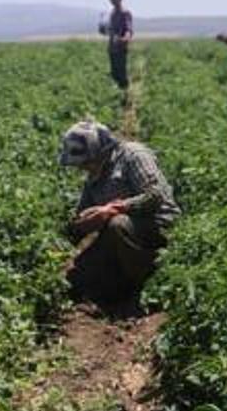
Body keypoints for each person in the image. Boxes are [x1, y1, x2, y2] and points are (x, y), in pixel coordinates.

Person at [59, 120, 180, 314]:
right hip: (119, 236)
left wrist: (113, 209)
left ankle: (147, 288)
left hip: (158, 228)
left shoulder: (134, 155)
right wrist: (78, 228)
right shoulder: (94, 176)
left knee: (117, 223)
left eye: (86, 163)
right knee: (76, 278)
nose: (83, 168)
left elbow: (156, 195)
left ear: (100, 152)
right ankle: (116, 290)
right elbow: (79, 219)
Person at [105, 0, 133, 88]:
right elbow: (110, 29)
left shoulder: (125, 12)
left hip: (121, 46)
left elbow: (128, 29)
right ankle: (117, 93)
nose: (113, 1)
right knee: (114, 72)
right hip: (112, 46)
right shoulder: (112, 13)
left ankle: (125, 92)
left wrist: (125, 38)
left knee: (121, 72)